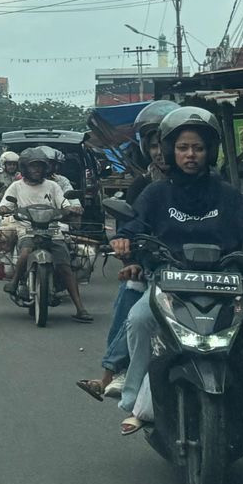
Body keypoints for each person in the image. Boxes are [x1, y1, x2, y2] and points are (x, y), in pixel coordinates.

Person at [112, 107, 243, 444]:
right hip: (169, 281)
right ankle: (134, 402)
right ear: (170, 151)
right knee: (138, 320)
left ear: (210, 152)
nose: (190, 155)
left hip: (225, 284)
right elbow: (133, 227)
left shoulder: (227, 195)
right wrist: (123, 241)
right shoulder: (155, 194)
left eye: (198, 148)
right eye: (182, 148)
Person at [76, 101, 175, 401]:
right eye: (154, 145)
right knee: (132, 295)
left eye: (166, 144)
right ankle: (110, 373)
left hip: (206, 271)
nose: (160, 152)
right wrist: (131, 258)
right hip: (155, 268)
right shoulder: (144, 186)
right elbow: (129, 229)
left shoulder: (212, 185)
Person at [0, 146, 92, 321]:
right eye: (33, 166)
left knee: (65, 266)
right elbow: (6, 205)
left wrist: (72, 208)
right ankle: (15, 281)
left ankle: (80, 308)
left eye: (40, 166)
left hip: (52, 230)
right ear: (25, 167)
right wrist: (3, 208)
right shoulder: (16, 186)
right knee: (25, 252)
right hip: (27, 229)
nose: (36, 169)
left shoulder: (53, 186)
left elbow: (64, 203)